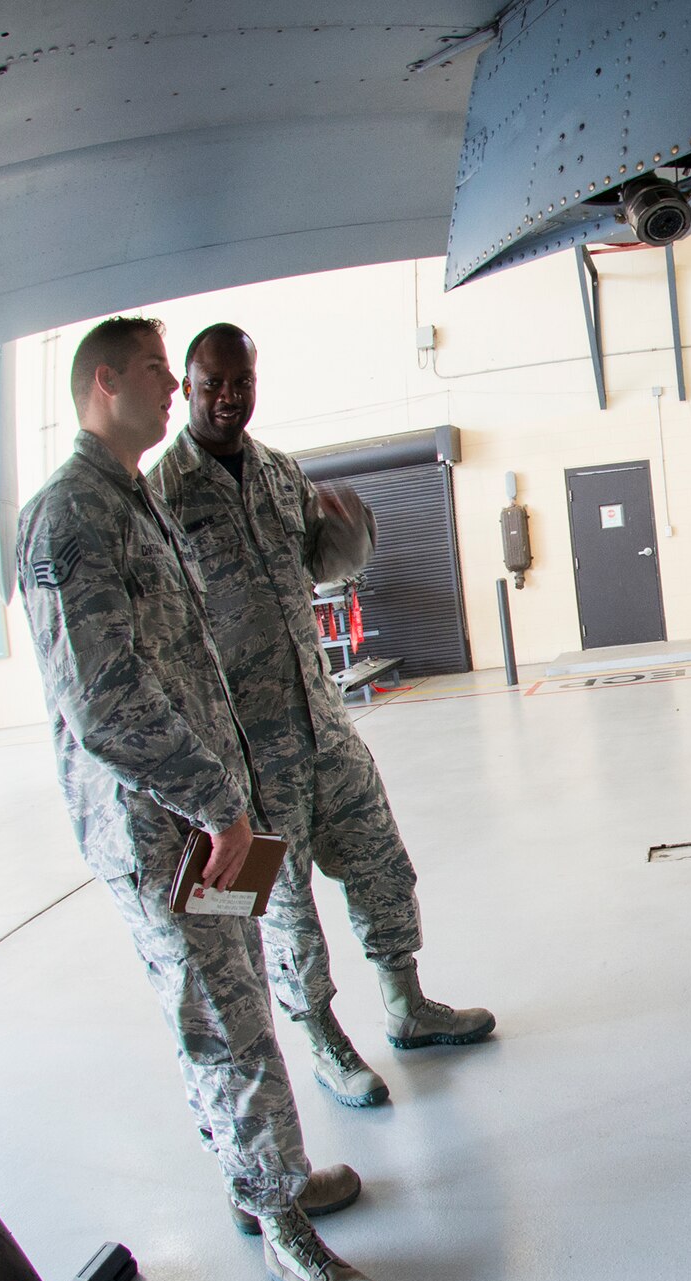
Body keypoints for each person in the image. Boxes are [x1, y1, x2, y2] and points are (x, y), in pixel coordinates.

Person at [16, 317, 388, 1281]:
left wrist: (231, 798)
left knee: (242, 1006)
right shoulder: (71, 518)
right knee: (224, 1023)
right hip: (171, 831)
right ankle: (283, 1231)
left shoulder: (128, 500)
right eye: (152, 370)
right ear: (104, 384)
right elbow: (105, 704)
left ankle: (262, 1181)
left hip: (215, 814)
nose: (173, 389)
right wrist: (220, 800)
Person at [148, 323, 493, 1110]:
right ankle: (324, 1042)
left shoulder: (277, 473)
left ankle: (406, 1006)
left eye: (242, 381)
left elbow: (327, 564)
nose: (229, 397)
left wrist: (349, 530)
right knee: (282, 914)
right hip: (242, 758)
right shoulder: (164, 495)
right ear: (188, 389)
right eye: (213, 385)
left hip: (323, 728)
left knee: (381, 863)